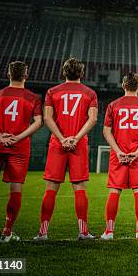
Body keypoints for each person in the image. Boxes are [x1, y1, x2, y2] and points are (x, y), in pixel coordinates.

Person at [0, 61, 42, 242]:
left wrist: (0, 136)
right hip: (20, 147)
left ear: (8, 75)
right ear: (26, 76)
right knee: (16, 188)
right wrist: (19, 137)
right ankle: (7, 231)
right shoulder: (33, 97)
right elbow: (38, 122)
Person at [35, 58, 98, 240]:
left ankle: (43, 232)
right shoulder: (90, 93)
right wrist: (76, 138)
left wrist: (62, 138)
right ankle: (83, 232)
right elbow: (92, 119)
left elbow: (47, 118)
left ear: (64, 72)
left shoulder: (52, 92)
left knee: (51, 189)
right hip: (79, 145)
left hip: (57, 144)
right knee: (79, 188)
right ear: (82, 73)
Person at [101, 73, 138, 240]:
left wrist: (117, 151)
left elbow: (106, 131)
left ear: (123, 85)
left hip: (119, 154)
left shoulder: (113, 105)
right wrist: (137, 152)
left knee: (115, 190)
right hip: (136, 154)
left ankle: (109, 232)